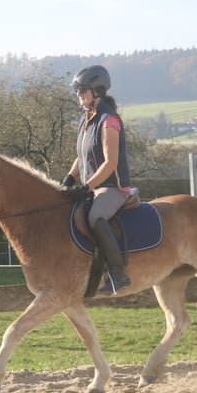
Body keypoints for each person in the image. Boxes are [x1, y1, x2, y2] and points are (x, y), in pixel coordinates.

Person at [61, 65, 132, 295]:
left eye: (82, 89)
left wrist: (86, 187)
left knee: (95, 217)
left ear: (97, 90)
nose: (78, 94)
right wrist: (69, 179)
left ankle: (119, 275)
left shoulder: (109, 120)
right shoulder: (86, 120)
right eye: (77, 90)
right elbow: (82, 155)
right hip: (92, 188)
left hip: (112, 187)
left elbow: (110, 162)